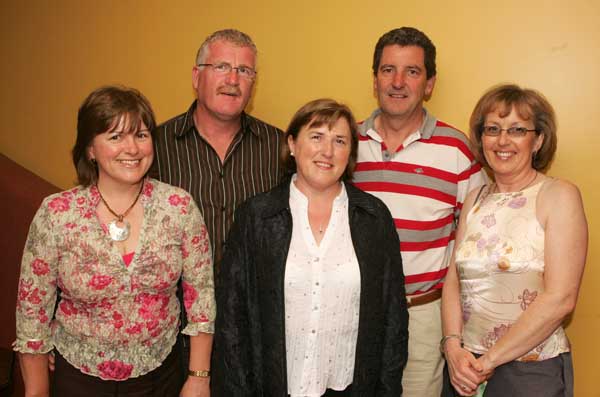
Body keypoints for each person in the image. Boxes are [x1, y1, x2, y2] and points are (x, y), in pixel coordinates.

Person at [14, 86, 215, 397]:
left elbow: (201, 297)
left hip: (160, 376)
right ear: (90, 149)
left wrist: (199, 377)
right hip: (79, 378)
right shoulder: (57, 214)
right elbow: (32, 314)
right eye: (115, 137)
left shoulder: (178, 207)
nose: (132, 148)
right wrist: (37, 391)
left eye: (141, 135)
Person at [212, 99, 408, 396]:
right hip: (273, 386)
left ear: (350, 154)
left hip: (350, 387)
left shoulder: (374, 217)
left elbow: (393, 319)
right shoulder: (257, 216)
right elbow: (232, 321)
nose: (327, 151)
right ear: (292, 144)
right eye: (316, 137)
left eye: (339, 141)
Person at [352, 27, 487, 396]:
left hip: (423, 316)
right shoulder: (344, 145)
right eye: (387, 70)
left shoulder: (458, 151)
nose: (398, 82)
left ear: (429, 83)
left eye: (411, 71)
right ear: (375, 78)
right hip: (352, 311)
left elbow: (477, 243)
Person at [441, 84, 587, 396]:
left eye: (517, 129)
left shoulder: (558, 195)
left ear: (539, 140)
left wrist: (489, 361)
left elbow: (561, 297)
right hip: (465, 368)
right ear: (481, 139)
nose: (503, 140)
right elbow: (454, 279)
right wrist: (453, 348)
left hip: (530, 370)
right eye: (493, 129)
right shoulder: (475, 198)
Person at [150, 28, 284, 274]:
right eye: (221, 67)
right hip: (178, 306)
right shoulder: (155, 145)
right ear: (196, 77)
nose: (233, 80)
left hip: (253, 307)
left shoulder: (280, 147)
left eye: (244, 71)